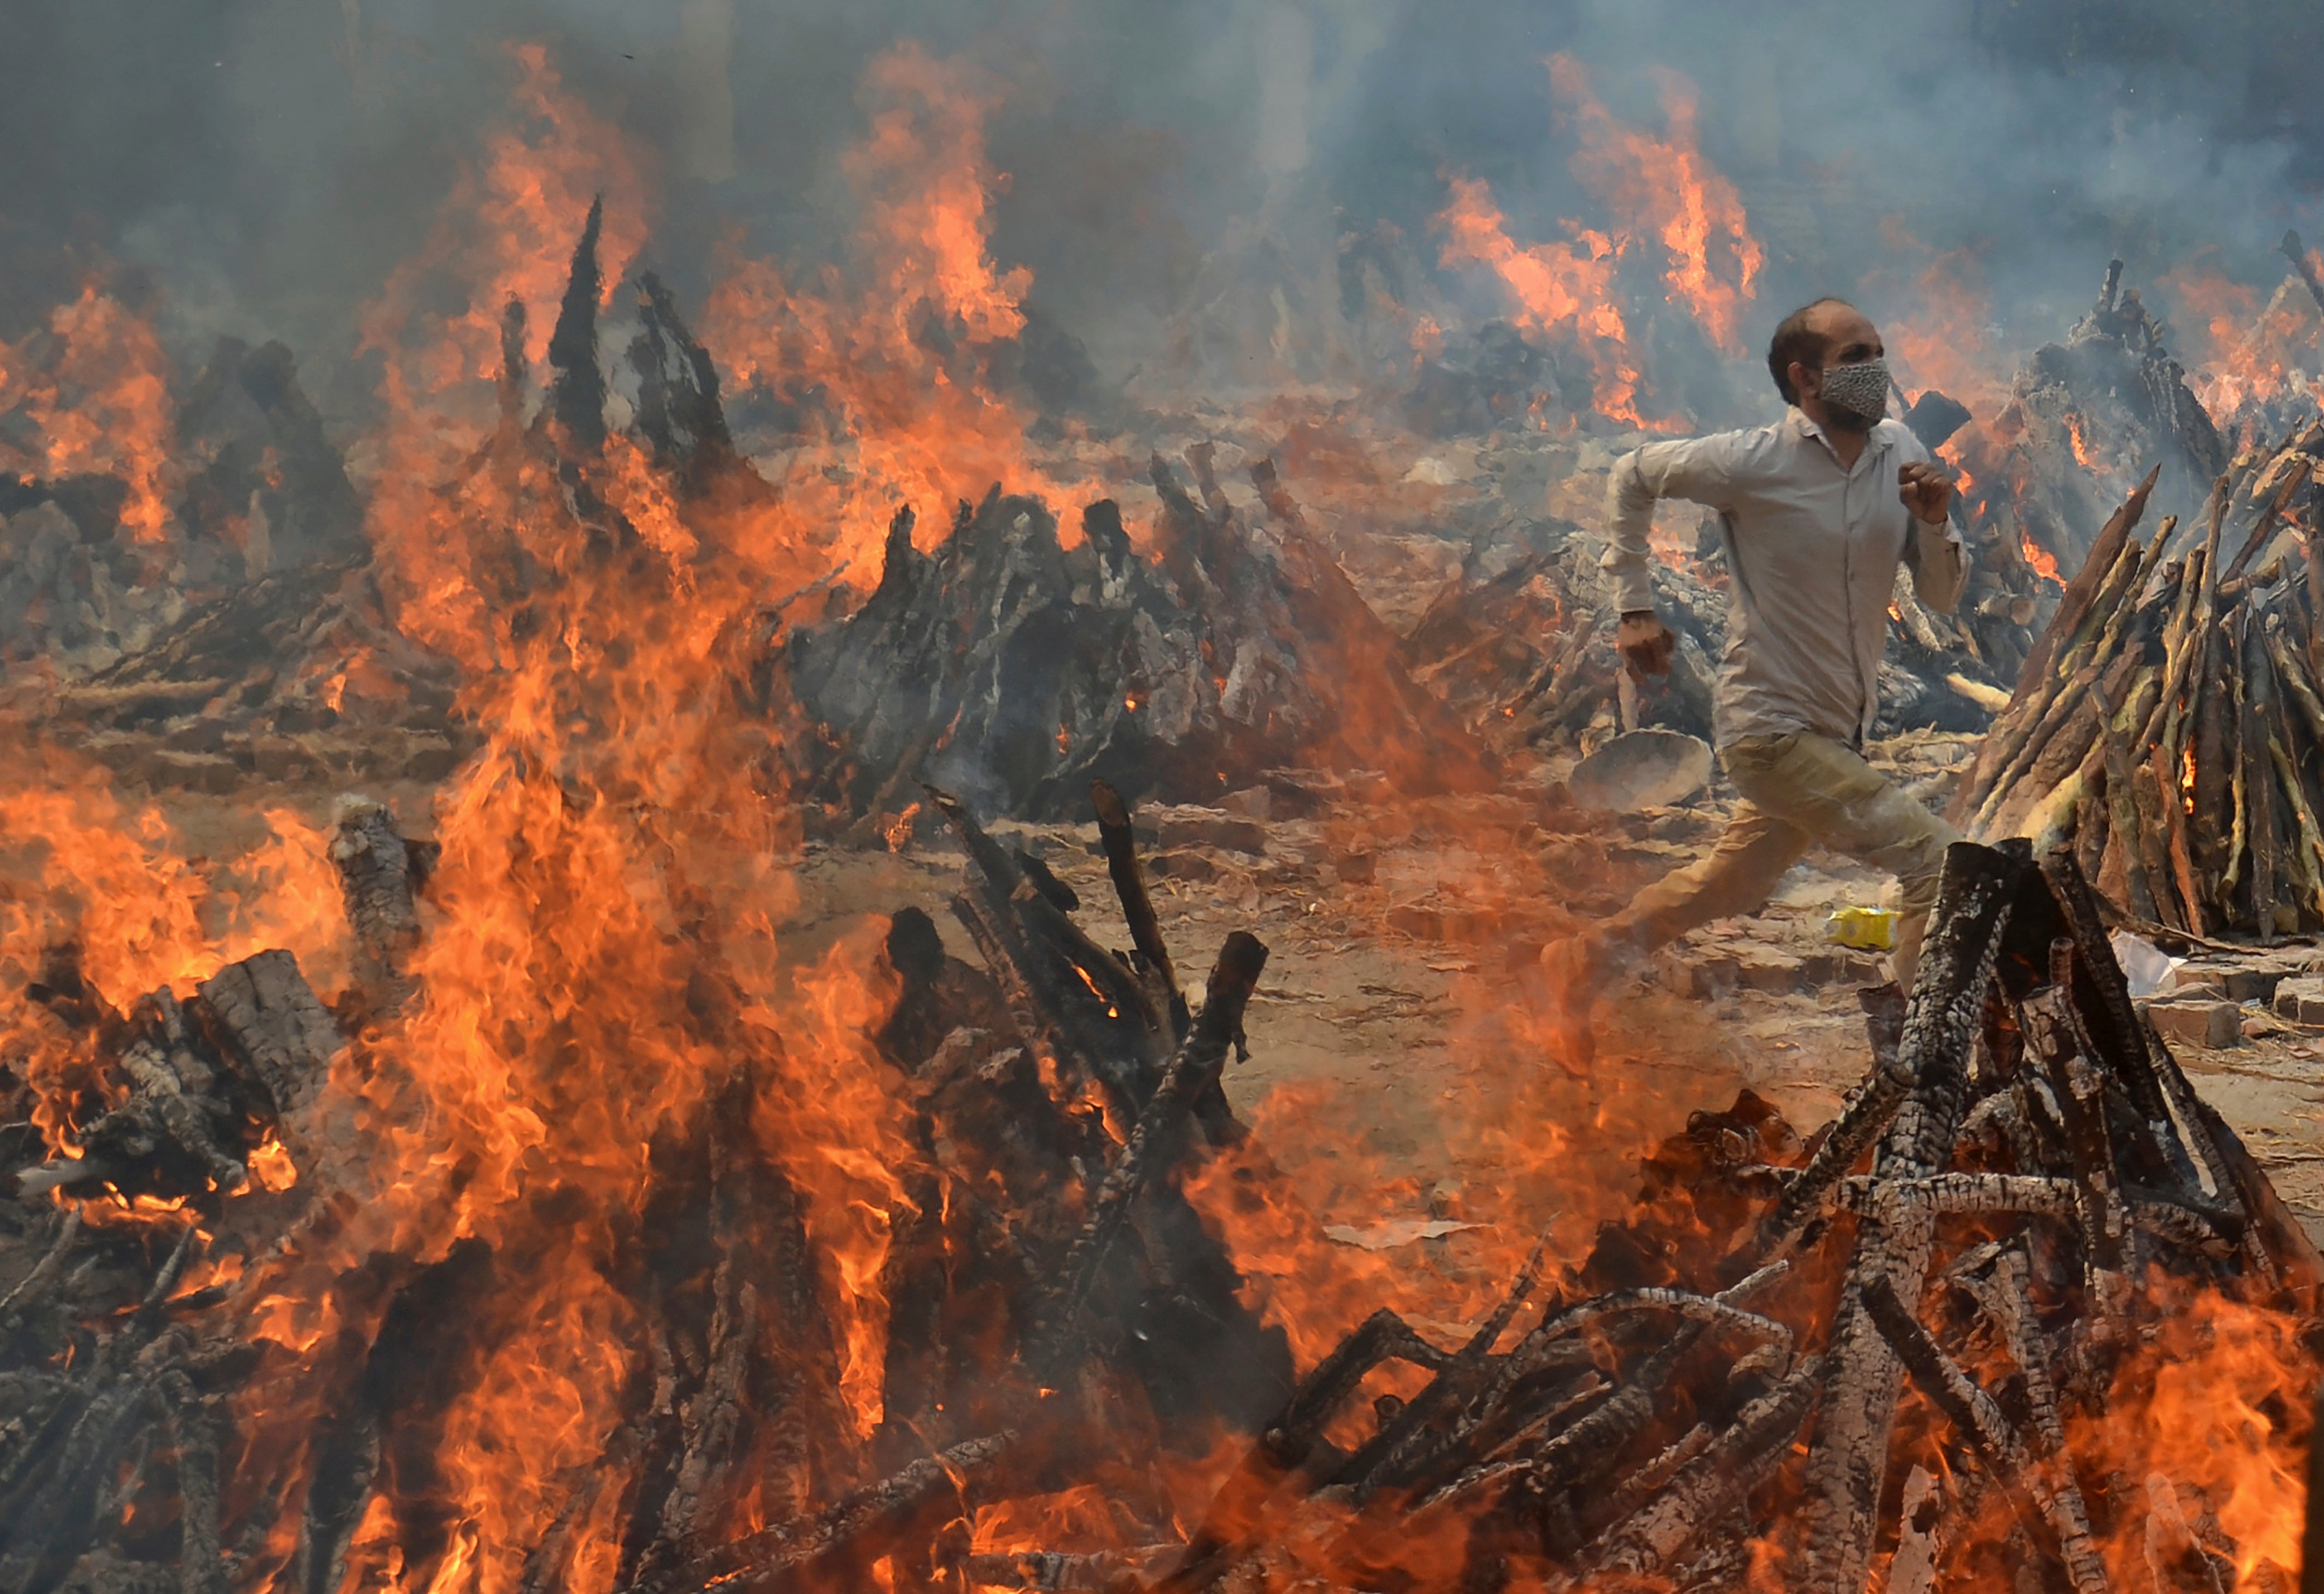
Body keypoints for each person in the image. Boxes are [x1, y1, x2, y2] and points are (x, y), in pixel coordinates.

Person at [1535, 298, 1965, 1064]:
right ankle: (1927, 1065)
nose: (1877, 372)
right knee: (1935, 860)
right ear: (1803, 379)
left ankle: (1585, 961)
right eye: (1854, 358)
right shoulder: (1753, 461)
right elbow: (1631, 475)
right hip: (1767, 728)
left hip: (1837, 731)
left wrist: (1932, 523)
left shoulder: (1898, 449)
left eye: (1877, 351)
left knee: (1731, 886)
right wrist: (1633, 606)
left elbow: (1939, 598)